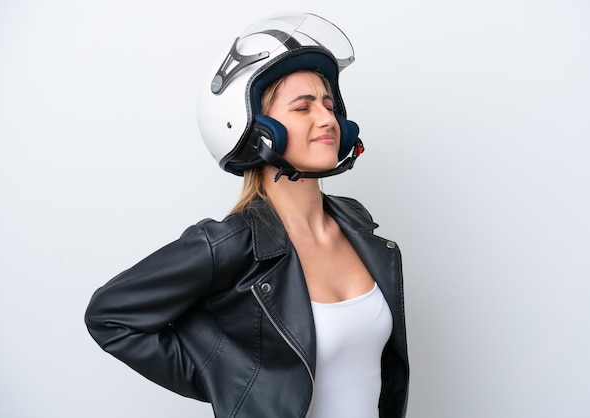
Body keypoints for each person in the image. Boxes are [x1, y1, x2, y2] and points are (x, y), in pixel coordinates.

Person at [85, 12, 409, 418]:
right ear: (256, 129)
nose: (327, 118)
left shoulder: (363, 232)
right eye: (303, 107)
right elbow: (109, 316)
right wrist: (231, 380)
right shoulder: (230, 245)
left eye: (328, 104)